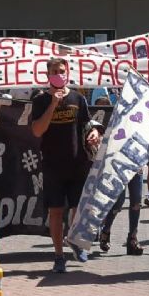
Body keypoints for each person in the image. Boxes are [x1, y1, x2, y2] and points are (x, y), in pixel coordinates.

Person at [31, 58, 100, 273]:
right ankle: (59, 256)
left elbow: (87, 124)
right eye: (54, 71)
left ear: (67, 72)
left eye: (61, 71)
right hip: (53, 165)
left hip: (77, 163)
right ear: (47, 74)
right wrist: (53, 104)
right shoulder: (40, 100)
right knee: (56, 212)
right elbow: (37, 131)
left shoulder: (77, 98)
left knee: (78, 210)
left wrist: (94, 133)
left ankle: (75, 241)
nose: (58, 74)